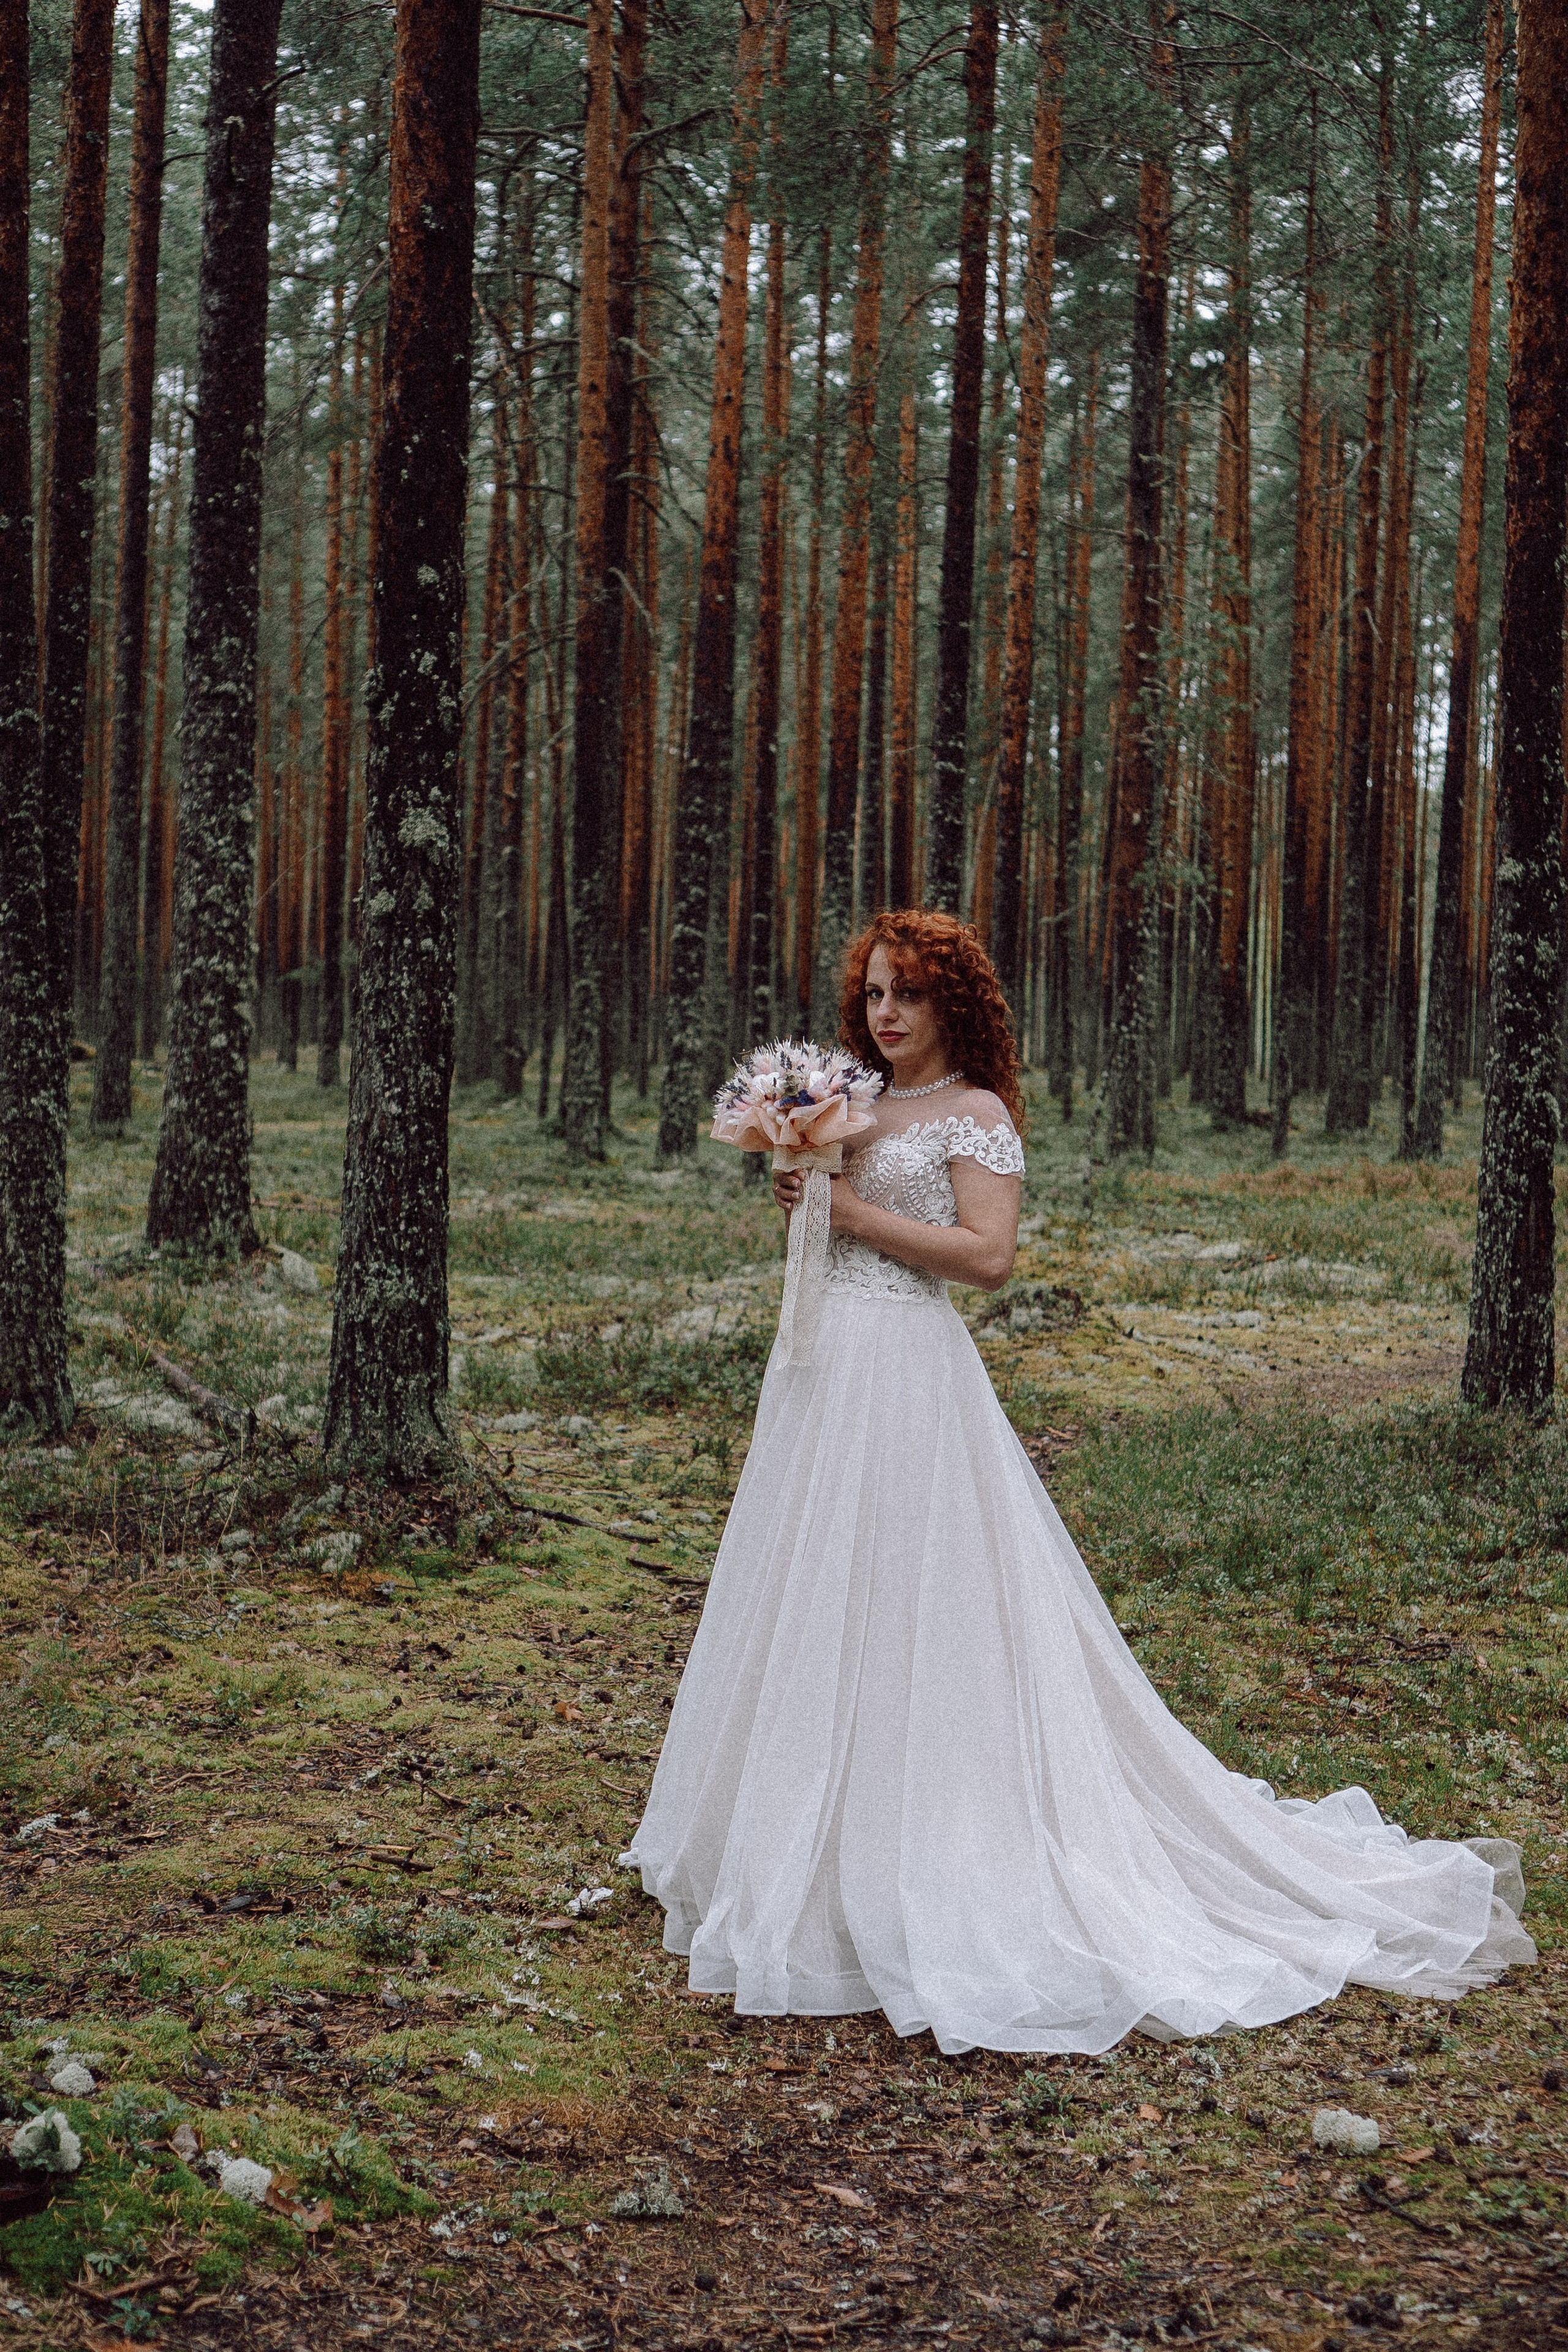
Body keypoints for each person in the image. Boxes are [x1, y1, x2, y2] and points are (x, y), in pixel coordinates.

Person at [624, 909, 1534, 2054]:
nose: (887, 1013)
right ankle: (796, 1839)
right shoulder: (853, 1103)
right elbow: (843, 1231)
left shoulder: (977, 1114)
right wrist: (803, 1194)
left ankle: (933, 1838)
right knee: (812, 1585)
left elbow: (989, 1257)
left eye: (910, 993)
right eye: (875, 994)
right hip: (821, 1373)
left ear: (956, 1003)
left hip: (907, 1371)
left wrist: (847, 1210)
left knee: (916, 1594)